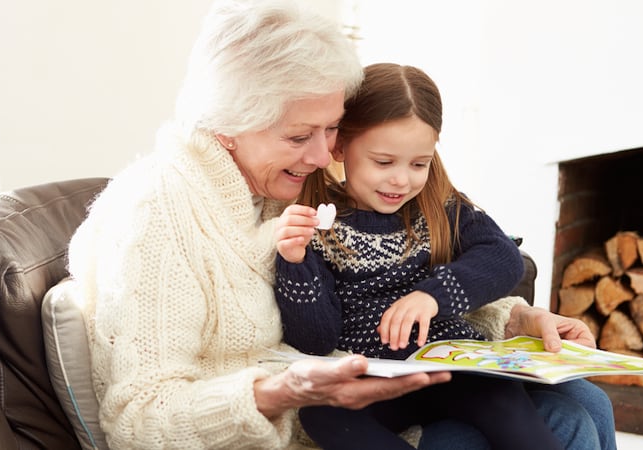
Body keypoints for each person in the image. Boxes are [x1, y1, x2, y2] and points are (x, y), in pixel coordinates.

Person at [66, 0, 614, 449]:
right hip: (300, 424)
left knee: (585, 399)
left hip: (363, 391)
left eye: (332, 130)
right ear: (229, 122)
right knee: (558, 424)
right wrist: (280, 391)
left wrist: (516, 317)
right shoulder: (156, 215)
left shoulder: (277, 183)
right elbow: (138, 418)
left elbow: (390, 277)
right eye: (301, 135)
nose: (325, 153)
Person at [273, 62, 565, 450]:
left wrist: (432, 296)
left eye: (418, 164)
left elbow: (504, 257)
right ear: (340, 146)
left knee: (502, 397)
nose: (401, 180)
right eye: (383, 162)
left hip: (450, 370)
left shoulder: (443, 207)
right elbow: (316, 338)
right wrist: (295, 263)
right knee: (321, 415)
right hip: (374, 383)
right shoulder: (317, 224)